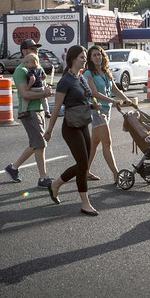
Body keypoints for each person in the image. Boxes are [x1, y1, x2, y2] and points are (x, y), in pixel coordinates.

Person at [45, 45, 100, 216]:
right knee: (83, 164)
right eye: (82, 57)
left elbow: (82, 100)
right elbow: (56, 108)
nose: (85, 60)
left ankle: (56, 184)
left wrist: (92, 105)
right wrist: (49, 130)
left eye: (85, 57)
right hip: (70, 127)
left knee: (84, 163)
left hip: (83, 123)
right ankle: (85, 203)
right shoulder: (65, 81)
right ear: (73, 59)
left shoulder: (80, 78)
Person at [4, 39, 54, 188]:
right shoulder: (21, 70)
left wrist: (48, 89)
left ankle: (13, 168)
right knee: (40, 144)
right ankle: (43, 178)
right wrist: (43, 93)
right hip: (29, 111)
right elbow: (25, 94)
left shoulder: (38, 68)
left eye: (37, 49)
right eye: (32, 49)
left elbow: (43, 85)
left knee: (36, 143)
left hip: (39, 108)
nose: (36, 51)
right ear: (24, 51)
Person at [84, 46, 132, 183]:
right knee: (107, 143)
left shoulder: (105, 72)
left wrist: (125, 99)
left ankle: (86, 170)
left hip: (107, 110)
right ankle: (116, 174)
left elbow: (115, 89)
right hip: (97, 110)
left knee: (95, 142)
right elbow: (94, 93)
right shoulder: (89, 73)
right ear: (90, 58)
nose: (98, 57)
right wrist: (113, 101)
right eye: (94, 55)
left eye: (99, 54)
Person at [18, 53, 50, 119]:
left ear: (34, 62)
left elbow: (32, 79)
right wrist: (41, 80)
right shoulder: (40, 69)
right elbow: (45, 76)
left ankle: (24, 111)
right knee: (44, 100)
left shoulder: (31, 71)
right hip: (40, 87)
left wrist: (28, 86)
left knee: (25, 99)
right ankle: (47, 111)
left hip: (33, 88)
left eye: (27, 62)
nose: (25, 64)